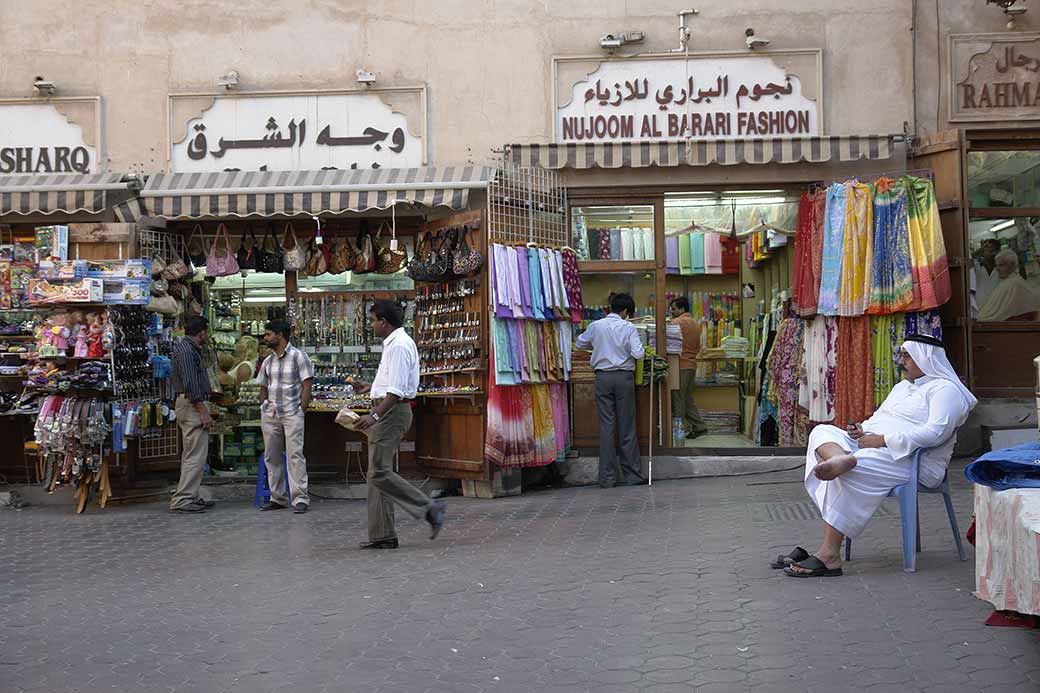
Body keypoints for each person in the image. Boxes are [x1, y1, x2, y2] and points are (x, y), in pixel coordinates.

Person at [779, 334, 976, 577]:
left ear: (926, 359)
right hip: (878, 450)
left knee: (856, 469)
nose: (901, 361)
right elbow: (880, 420)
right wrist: (861, 431)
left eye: (907, 356)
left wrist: (882, 440)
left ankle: (829, 554)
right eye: (901, 355)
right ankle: (839, 458)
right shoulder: (902, 387)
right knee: (822, 430)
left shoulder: (947, 391)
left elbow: (935, 434)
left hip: (916, 463)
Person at [352, 300, 446, 549]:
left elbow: (395, 392)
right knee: (376, 474)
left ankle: (429, 508)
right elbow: (392, 384)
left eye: (373, 320)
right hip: (389, 410)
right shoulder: (394, 344)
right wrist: (370, 388)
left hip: (391, 413)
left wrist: (374, 416)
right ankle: (382, 535)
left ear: (384, 321)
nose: (371, 325)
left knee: (379, 472)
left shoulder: (399, 346)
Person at [576, 292, 647, 488]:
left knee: (606, 427)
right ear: (625, 311)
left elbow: (580, 343)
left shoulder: (596, 326)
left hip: (603, 377)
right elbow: (639, 353)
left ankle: (607, 478)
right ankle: (632, 475)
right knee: (627, 427)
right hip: (624, 378)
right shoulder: (628, 327)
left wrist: (599, 346)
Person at [257, 318, 315, 514]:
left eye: (268, 334)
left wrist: (301, 409)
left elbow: (307, 384)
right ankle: (278, 497)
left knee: (295, 455)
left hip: (292, 413)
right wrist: (264, 405)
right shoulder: (267, 361)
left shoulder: (299, 356)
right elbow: (263, 386)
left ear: (279, 335)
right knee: (271, 456)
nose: (265, 338)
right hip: (271, 414)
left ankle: (300, 498)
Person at [170, 316, 215, 514]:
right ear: (202, 332)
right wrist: (202, 411)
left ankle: (191, 494)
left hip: (188, 404)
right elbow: (190, 383)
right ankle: (184, 498)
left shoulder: (186, 348)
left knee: (193, 453)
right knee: (194, 455)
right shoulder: (188, 351)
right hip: (191, 405)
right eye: (207, 331)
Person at [669, 297, 708, 440]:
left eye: (674, 309)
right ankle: (700, 427)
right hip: (691, 365)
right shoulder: (696, 324)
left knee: (678, 399)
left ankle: (677, 432)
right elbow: (697, 347)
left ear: (682, 309)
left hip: (679, 365)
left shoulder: (676, 323)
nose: (672, 312)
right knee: (687, 399)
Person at [978, 248, 1040, 321]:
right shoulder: (1008, 282)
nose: (997, 269)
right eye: (997, 265)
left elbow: (997, 315)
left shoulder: (1013, 284)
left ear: (1012, 265)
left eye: (1001, 265)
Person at [971, 238, 1001, 315]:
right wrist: (980, 250)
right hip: (979, 311)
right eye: (988, 249)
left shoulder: (1001, 269)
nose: (992, 253)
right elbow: (968, 259)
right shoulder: (976, 266)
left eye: (994, 250)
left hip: (997, 311)